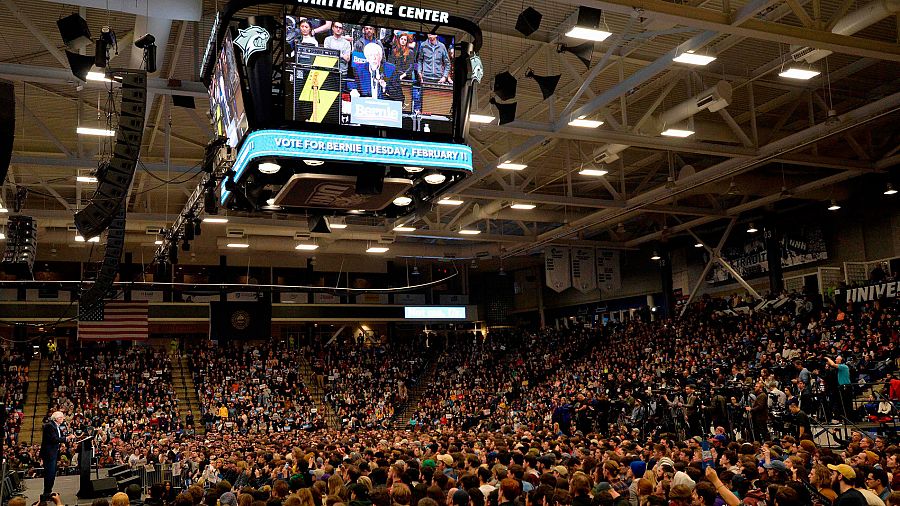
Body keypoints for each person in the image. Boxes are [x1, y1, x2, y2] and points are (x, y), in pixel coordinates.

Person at [41, 411, 74, 499]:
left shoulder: (56, 426)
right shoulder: (49, 426)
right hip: (49, 454)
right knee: (49, 473)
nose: (63, 419)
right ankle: (46, 493)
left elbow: (59, 437)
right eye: (62, 417)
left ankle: (48, 491)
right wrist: (67, 438)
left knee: (52, 473)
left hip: (53, 453)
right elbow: (54, 439)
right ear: (57, 418)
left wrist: (66, 437)